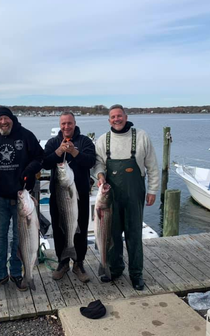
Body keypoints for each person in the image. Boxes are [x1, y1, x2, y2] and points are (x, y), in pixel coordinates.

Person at [94, 104, 159, 290]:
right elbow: (98, 163)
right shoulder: (103, 140)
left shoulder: (141, 137)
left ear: (126, 116)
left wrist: (153, 190)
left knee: (134, 236)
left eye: (119, 116)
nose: (116, 119)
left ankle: (136, 274)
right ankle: (114, 269)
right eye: (113, 117)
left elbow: (152, 166)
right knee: (111, 235)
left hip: (134, 196)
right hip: (110, 198)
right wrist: (100, 175)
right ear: (109, 120)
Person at [0, 106, 44, 293]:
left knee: (19, 239)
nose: (3, 122)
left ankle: (18, 273)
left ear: (12, 119)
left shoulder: (25, 135)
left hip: (22, 197)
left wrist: (29, 170)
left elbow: (40, 157)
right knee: (0, 237)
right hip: (0, 197)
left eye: (5, 119)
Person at [43, 112, 96, 283]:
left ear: (75, 123)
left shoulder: (85, 141)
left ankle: (78, 263)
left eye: (69, 123)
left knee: (79, 228)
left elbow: (90, 162)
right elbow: (45, 162)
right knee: (60, 228)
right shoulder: (52, 143)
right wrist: (59, 151)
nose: (66, 127)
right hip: (59, 194)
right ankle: (63, 262)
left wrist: (73, 152)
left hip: (79, 194)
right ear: (60, 125)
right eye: (63, 123)